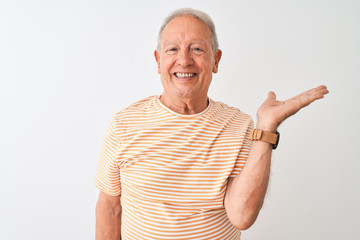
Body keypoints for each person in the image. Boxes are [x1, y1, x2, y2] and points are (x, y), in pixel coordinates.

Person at [95, 8, 329, 240]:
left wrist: (266, 128)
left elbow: (242, 216)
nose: (184, 60)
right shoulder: (124, 124)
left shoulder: (239, 125)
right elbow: (109, 209)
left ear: (215, 60)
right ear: (158, 61)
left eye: (197, 49)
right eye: (172, 49)